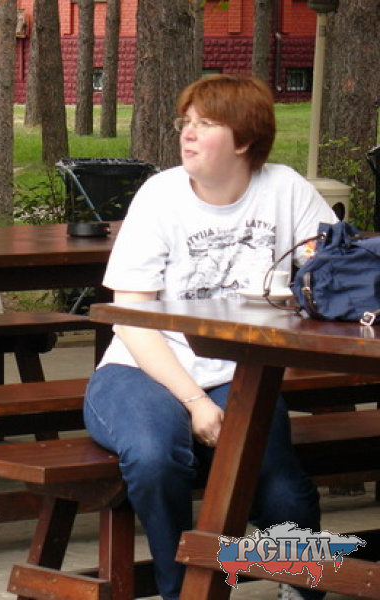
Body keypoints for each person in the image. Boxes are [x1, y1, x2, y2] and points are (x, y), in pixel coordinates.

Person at [83, 74, 335, 600]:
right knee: (155, 458)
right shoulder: (160, 195)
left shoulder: (285, 189)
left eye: (207, 124)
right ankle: (185, 592)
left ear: (245, 141)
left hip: (243, 373)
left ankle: (303, 588)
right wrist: (195, 402)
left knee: (283, 491)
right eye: (187, 122)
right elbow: (130, 318)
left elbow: (332, 267)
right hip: (142, 368)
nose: (188, 134)